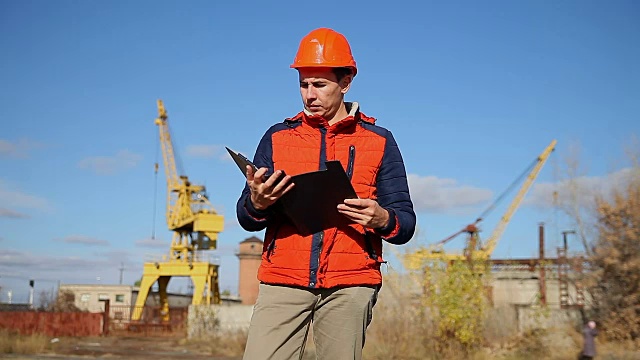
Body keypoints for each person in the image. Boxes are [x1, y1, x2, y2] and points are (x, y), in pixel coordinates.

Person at [236, 27, 416, 360]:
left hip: (351, 284)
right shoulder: (276, 137)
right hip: (283, 280)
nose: (309, 95)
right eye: (303, 84)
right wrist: (257, 203)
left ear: (345, 82)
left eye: (319, 84)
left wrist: (382, 218)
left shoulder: (380, 141)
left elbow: (404, 223)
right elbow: (246, 217)